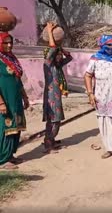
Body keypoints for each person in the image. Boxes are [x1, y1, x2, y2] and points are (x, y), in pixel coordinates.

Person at [0, 32, 29, 169]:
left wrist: (25, 96)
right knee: (6, 127)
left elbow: (17, 79)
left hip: (15, 98)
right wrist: (0, 102)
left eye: (10, 42)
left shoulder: (11, 58)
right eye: (5, 42)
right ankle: (3, 158)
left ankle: (10, 154)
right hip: (5, 99)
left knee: (16, 126)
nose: (9, 45)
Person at [42, 22, 72, 154]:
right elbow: (52, 48)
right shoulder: (48, 64)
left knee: (56, 119)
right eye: (57, 56)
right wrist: (50, 31)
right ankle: (48, 143)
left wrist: (62, 49)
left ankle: (51, 140)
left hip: (56, 94)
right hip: (51, 96)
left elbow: (70, 57)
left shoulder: (57, 66)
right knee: (54, 119)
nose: (59, 57)